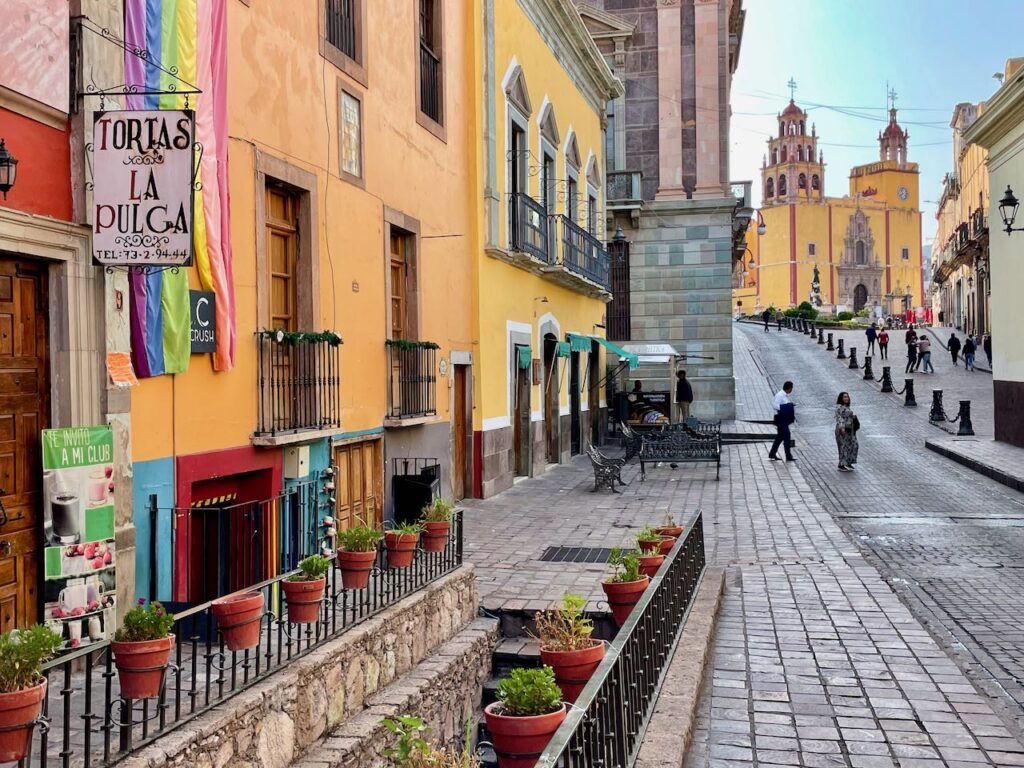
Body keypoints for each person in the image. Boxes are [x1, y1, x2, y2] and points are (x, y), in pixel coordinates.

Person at [768, 381, 796, 462]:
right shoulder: (780, 395)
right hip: (781, 419)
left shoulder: (784, 395)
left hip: (783, 419)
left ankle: (772, 453)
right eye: (791, 388)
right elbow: (775, 405)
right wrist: (786, 407)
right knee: (787, 436)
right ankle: (788, 455)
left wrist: (789, 405)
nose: (791, 390)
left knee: (780, 437)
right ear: (789, 388)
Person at [834, 392, 859, 472]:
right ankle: (841, 464)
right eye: (844, 397)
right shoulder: (839, 407)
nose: (846, 398)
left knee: (854, 445)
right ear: (841, 398)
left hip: (850, 430)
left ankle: (848, 462)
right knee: (843, 446)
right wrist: (842, 428)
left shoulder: (847, 407)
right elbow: (839, 417)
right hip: (843, 429)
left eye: (847, 397)